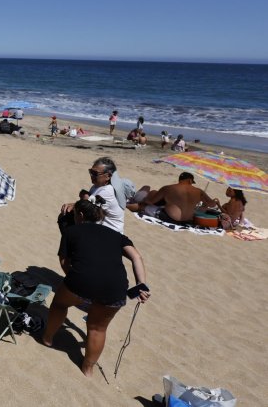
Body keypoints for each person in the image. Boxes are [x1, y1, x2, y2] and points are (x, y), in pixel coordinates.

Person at [42, 199, 149, 377]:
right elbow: (136, 257)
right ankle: (88, 369)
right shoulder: (117, 235)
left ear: (80, 215)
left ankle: (47, 339)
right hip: (116, 288)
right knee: (97, 328)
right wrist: (141, 284)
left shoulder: (71, 231)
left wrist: (74, 277)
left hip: (81, 280)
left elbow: (63, 261)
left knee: (60, 305)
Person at [61, 157, 125, 233]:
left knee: (67, 219)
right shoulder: (96, 186)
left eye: (95, 173)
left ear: (108, 176)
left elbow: (88, 209)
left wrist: (78, 201)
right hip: (100, 230)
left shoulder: (108, 191)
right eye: (91, 172)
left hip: (111, 234)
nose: (91, 175)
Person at [132, 172, 217, 224]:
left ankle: (126, 206)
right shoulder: (199, 191)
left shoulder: (168, 188)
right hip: (188, 220)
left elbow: (150, 202)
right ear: (190, 180)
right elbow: (212, 204)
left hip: (170, 218)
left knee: (142, 206)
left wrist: (145, 199)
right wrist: (215, 201)